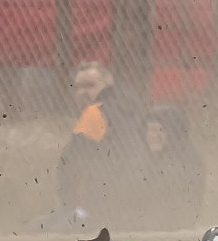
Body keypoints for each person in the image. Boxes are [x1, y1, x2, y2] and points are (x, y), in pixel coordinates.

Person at [56, 61, 130, 227]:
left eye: (89, 86)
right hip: (124, 208)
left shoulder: (93, 113)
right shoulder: (128, 109)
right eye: (78, 87)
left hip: (94, 210)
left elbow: (72, 165)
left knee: (39, 225)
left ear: (107, 87)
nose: (82, 92)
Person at [115, 105, 205, 228]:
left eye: (161, 130)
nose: (154, 136)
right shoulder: (139, 161)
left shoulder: (188, 162)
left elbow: (180, 206)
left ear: (174, 132)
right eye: (150, 130)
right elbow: (124, 197)